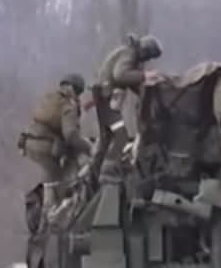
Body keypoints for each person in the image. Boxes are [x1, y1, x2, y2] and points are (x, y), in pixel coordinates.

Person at [20, 73, 92, 211]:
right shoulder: (68, 105)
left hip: (29, 140)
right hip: (46, 145)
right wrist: (89, 148)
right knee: (56, 178)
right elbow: (71, 135)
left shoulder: (51, 98)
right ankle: (51, 210)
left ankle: (47, 208)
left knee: (51, 173)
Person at [93, 34, 165, 136]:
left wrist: (148, 87)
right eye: (148, 56)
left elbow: (131, 81)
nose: (147, 60)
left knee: (108, 136)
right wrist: (144, 75)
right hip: (105, 93)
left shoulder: (133, 57)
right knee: (119, 136)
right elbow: (120, 75)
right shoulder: (129, 53)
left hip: (106, 93)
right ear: (144, 50)